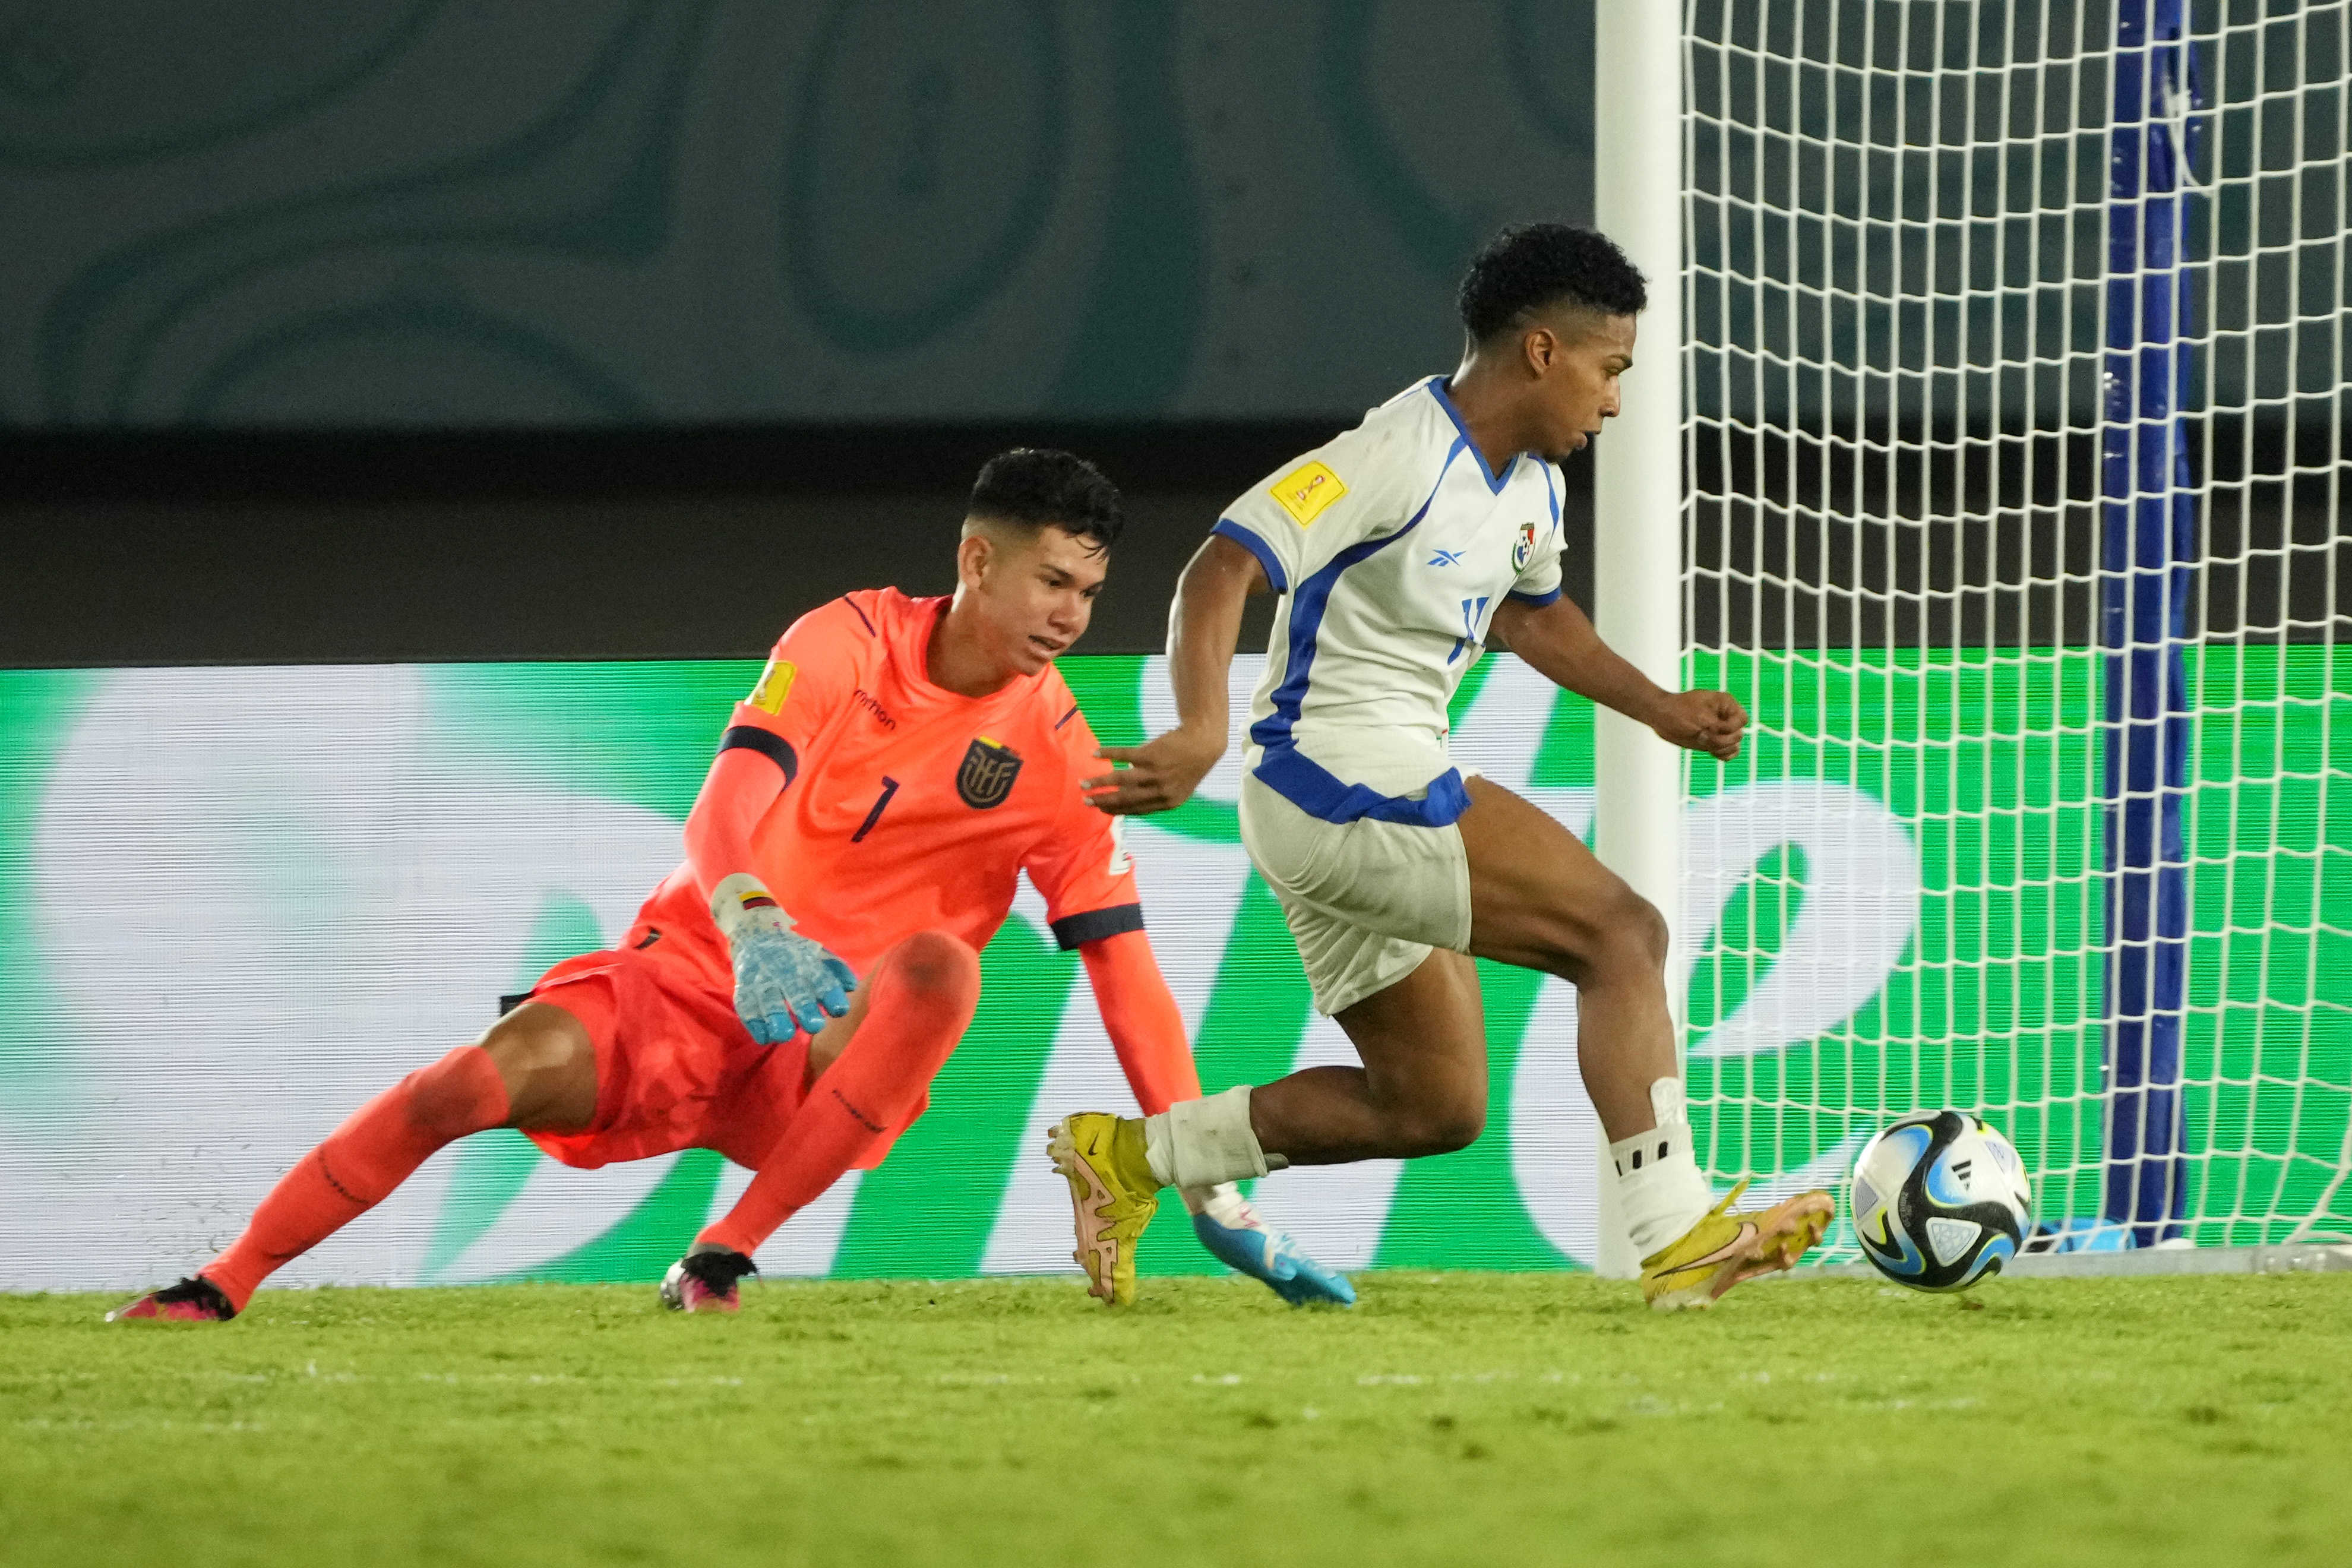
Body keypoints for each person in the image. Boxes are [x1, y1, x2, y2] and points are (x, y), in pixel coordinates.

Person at [112, 448, 1349, 1322]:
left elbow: (1126, 975)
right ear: (978, 560)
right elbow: (725, 808)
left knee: (942, 967)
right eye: (1052, 583)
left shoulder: (1060, 762)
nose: (1074, 615)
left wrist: (1210, 1175)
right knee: (462, 1086)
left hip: (823, 1055)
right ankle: (224, 1280)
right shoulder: (842, 642)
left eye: (1090, 591)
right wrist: (755, 923)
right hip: (693, 976)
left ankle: (721, 1256)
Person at [1052, 225, 1834, 1311]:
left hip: (1352, 797)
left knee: (1431, 1104)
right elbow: (1223, 562)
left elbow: (1535, 618)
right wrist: (1198, 729)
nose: (1615, 402)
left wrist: (1658, 708)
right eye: (1611, 370)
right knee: (1622, 935)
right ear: (1545, 351)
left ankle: (1127, 1158)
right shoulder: (1396, 452)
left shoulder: (1531, 486)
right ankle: (1678, 1235)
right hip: (1339, 782)